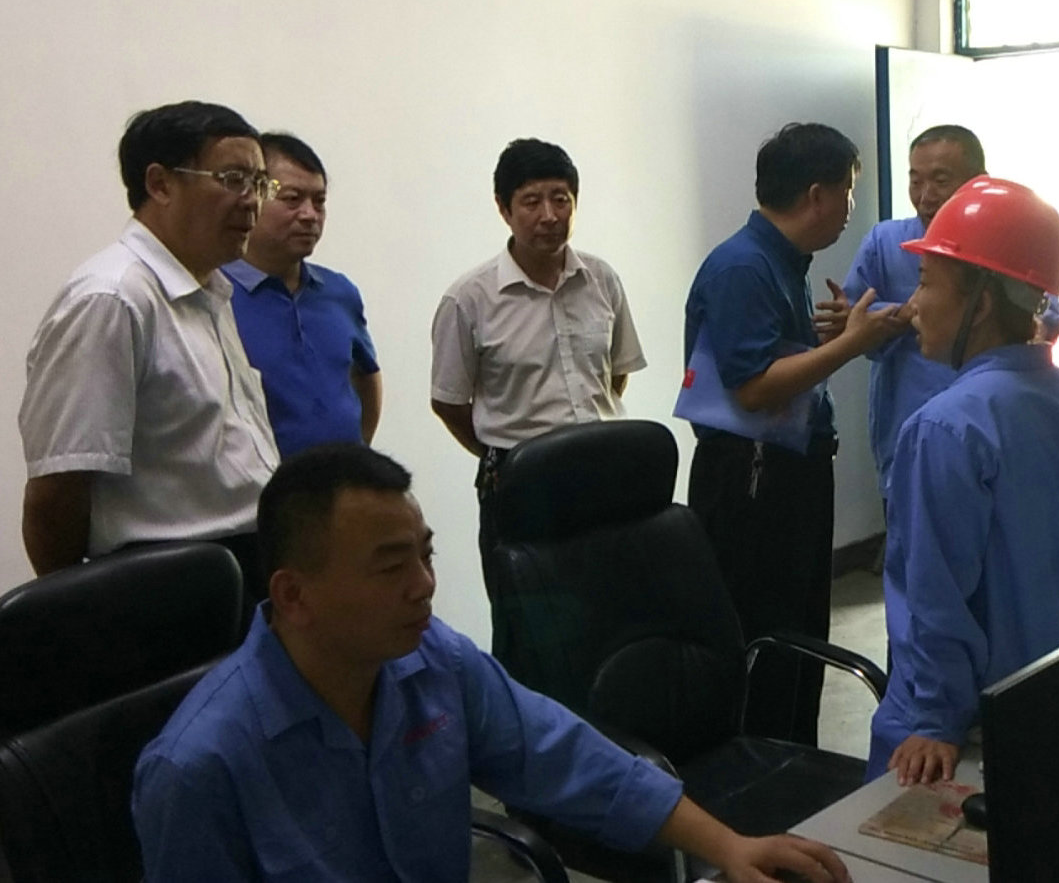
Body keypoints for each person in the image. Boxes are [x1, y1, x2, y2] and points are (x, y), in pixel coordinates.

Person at [131, 444, 851, 883]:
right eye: (390, 566)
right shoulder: (199, 767)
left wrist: (729, 846)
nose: (424, 585)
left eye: (426, 555)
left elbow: (566, 755)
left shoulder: (430, 659)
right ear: (293, 595)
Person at [868, 176, 1059, 784]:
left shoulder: (944, 428)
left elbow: (934, 593)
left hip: (955, 721)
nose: (913, 305)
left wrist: (934, 720)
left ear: (979, 305)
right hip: (1044, 691)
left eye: (926, 283)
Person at [683, 123, 909, 746]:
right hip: (751, 479)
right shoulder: (743, 266)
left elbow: (774, 362)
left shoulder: (782, 261)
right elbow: (754, 388)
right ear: (817, 194)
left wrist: (825, 337)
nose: (849, 208)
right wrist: (851, 345)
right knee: (765, 636)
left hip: (790, 470)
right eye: (848, 191)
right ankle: (762, 769)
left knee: (802, 633)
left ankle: (793, 758)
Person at [18, 100, 278, 592]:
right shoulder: (112, 298)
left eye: (260, 183)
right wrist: (79, 613)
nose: (252, 202)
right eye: (232, 179)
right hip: (164, 585)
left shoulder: (208, 292)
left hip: (244, 569)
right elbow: (57, 492)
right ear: (160, 184)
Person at [431, 138, 646, 587]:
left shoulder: (601, 279)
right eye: (531, 202)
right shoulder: (469, 299)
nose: (549, 215)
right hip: (520, 481)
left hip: (602, 470)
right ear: (503, 208)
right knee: (528, 607)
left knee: (612, 600)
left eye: (560, 199)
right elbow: (449, 402)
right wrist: (507, 453)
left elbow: (615, 373)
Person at [841, 125, 983, 502]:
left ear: (978, 181)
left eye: (940, 180)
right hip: (905, 421)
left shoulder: (1003, 241)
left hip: (983, 422)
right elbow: (853, 322)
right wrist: (898, 316)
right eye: (915, 181)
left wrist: (903, 315)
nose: (925, 195)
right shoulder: (887, 242)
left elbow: (1043, 320)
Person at [222, 132, 382, 459]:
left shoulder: (339, 291)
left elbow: (366, 377)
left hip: (341, 481)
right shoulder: (214, 295)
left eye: (319, 201)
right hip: (258, 486)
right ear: (253, 196)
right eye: (292, 199)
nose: (310, 215)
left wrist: (359, 454)